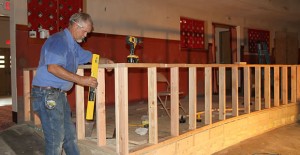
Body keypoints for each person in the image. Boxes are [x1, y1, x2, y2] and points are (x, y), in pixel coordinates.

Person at [31, 12, 113, 155]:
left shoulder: (73, 46)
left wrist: (106, 61)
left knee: (69, 137)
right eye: (85, 31)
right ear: (76, 25)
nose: (86, 35)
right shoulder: (58, 41)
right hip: (46, 94)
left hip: (58, 95)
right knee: (56, 140)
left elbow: (90, 57)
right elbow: (53, 68)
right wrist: (81, 80)